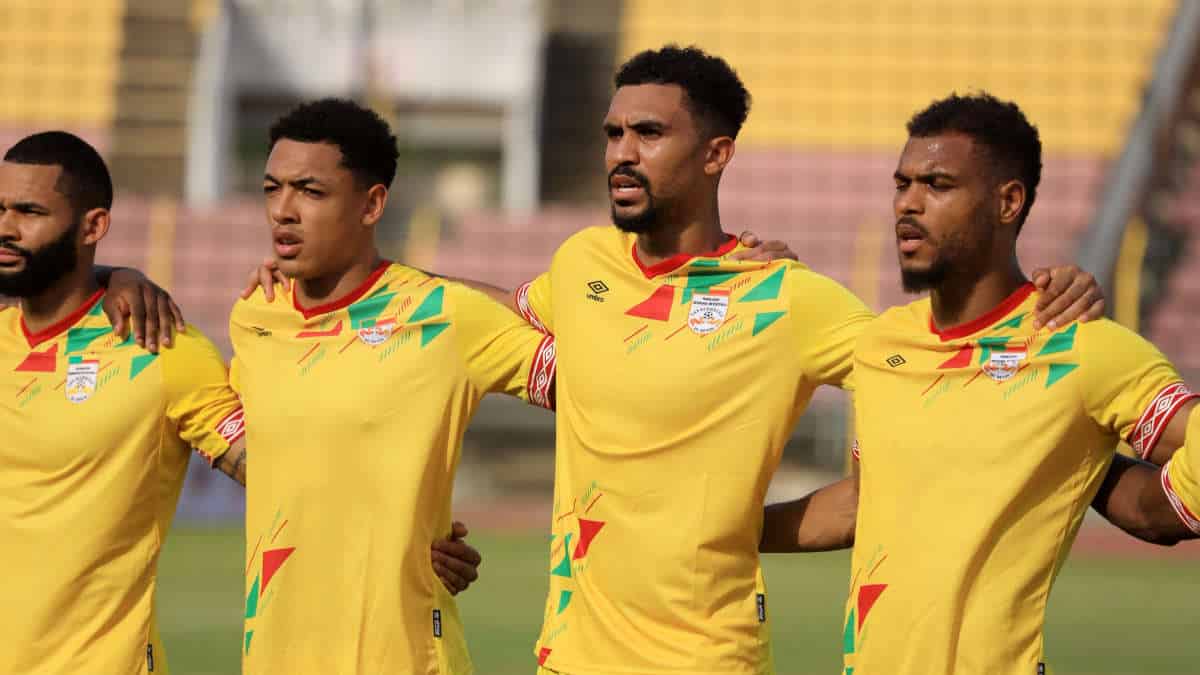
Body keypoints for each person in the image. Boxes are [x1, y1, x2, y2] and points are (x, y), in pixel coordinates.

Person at [239, 48, 1102, 674]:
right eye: (615, 132)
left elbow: (929, 359)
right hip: (570, 656)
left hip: (706, 657)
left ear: (717, 152)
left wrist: (1045, 304)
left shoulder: (785, 298)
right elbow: (474, 312)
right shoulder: (582, 266)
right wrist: (335, 276)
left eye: (649, 133)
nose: (622, 150)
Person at [764, 93, 1196, 675]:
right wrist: (721, 529)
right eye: (902, 184)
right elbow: (865, 502)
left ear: (1007, 202)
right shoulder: (882, 344)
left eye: (937, 185)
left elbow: (1161, 503)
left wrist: (1071, 459)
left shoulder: (1081, 345)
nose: (908, 205)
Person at [229, 98, 561, 674]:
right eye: (271, 188)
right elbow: (257, 451)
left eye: (310, 191)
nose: (283, 210)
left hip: (405, 657)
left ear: (372, 203)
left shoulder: (447, 315)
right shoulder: (254, 316)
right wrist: (116, 277)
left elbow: (606, 388)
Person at [0, 131, 248, 674]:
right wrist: (116, 273)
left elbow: (281, 474)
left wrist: (415, 535)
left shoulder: (158, 346)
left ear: (93, 226)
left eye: (29, 211)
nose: (5, 227)